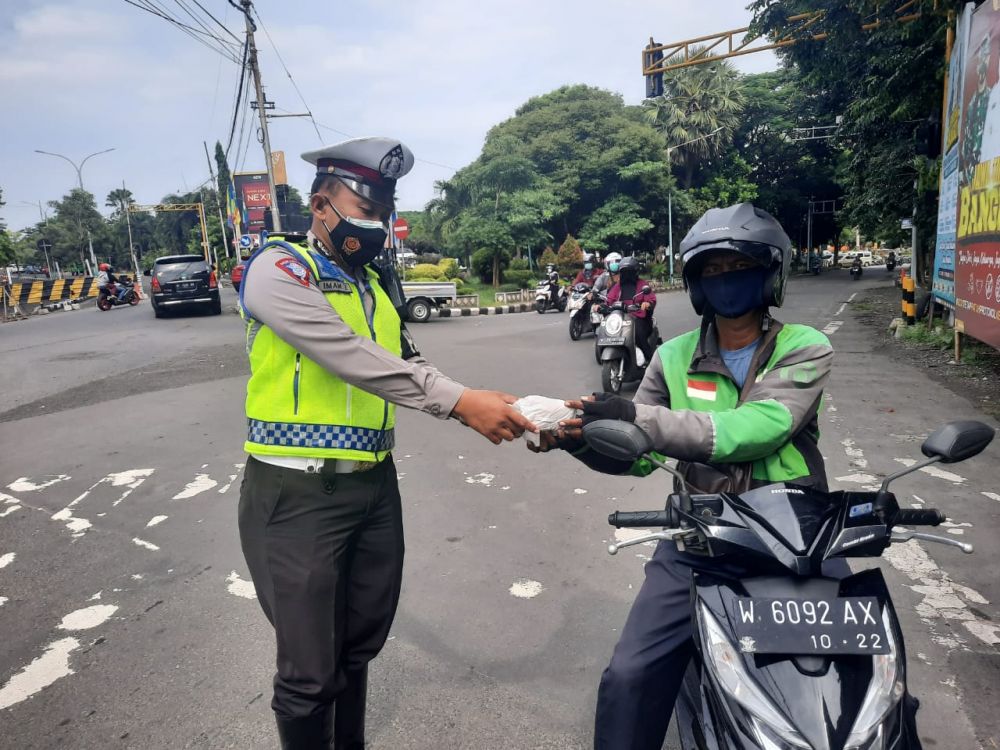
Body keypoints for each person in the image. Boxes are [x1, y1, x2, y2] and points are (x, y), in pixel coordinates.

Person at [236, 136, 536, 749]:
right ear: (321, 206)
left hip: (373, 488)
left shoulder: (376, 285)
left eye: (383, 212)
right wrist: (458, 401)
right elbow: (351, 358)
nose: (376, 226)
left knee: (357, 645)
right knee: (308, 671)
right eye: (363, 210)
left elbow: (409, 362)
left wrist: (512, 410)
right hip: (295, 494)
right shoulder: (280, 269)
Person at [530, 203, 834, 750]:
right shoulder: (671, 356)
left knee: (848, 675)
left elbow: (760, 427)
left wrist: (632, 416)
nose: (726, 280)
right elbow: (642, 453)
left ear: (770, 272)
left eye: (739, 266)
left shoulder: (805, 346)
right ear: (695, 284)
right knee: (630, 676)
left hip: (795, 532)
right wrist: (580, 440)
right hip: (700, 536)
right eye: (711, 270)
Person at [605, 257, 656, 366]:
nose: (627, 274)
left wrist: (646, 304)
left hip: (640, 319)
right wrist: (600, 306)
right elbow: (609, 300)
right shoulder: (617, 287)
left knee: (638, 334)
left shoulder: (643, 284)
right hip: (621, 318)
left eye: (630, 271)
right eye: (624, 272)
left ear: (635, 272)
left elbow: (650, 298)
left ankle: (651, 362)